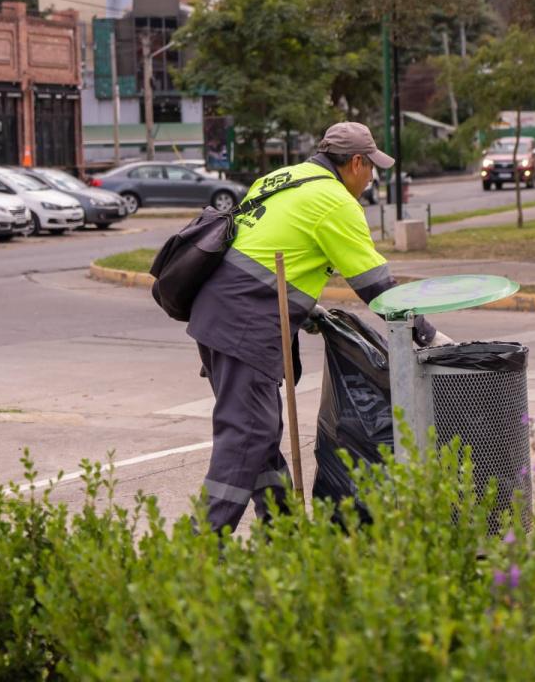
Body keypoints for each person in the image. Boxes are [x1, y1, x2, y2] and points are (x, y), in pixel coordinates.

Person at [187, 121, 452, 534]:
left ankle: (285, 535)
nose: (370, 178)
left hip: (214, 314)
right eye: (371, 168)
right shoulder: (334, 200)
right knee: (246, 437)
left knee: (259, 434)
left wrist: (307, 312)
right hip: (245, 326)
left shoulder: (281, 177)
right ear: (357, 163)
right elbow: (376, 286)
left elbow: (268, 247)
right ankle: (199, 544)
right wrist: (427, 333)